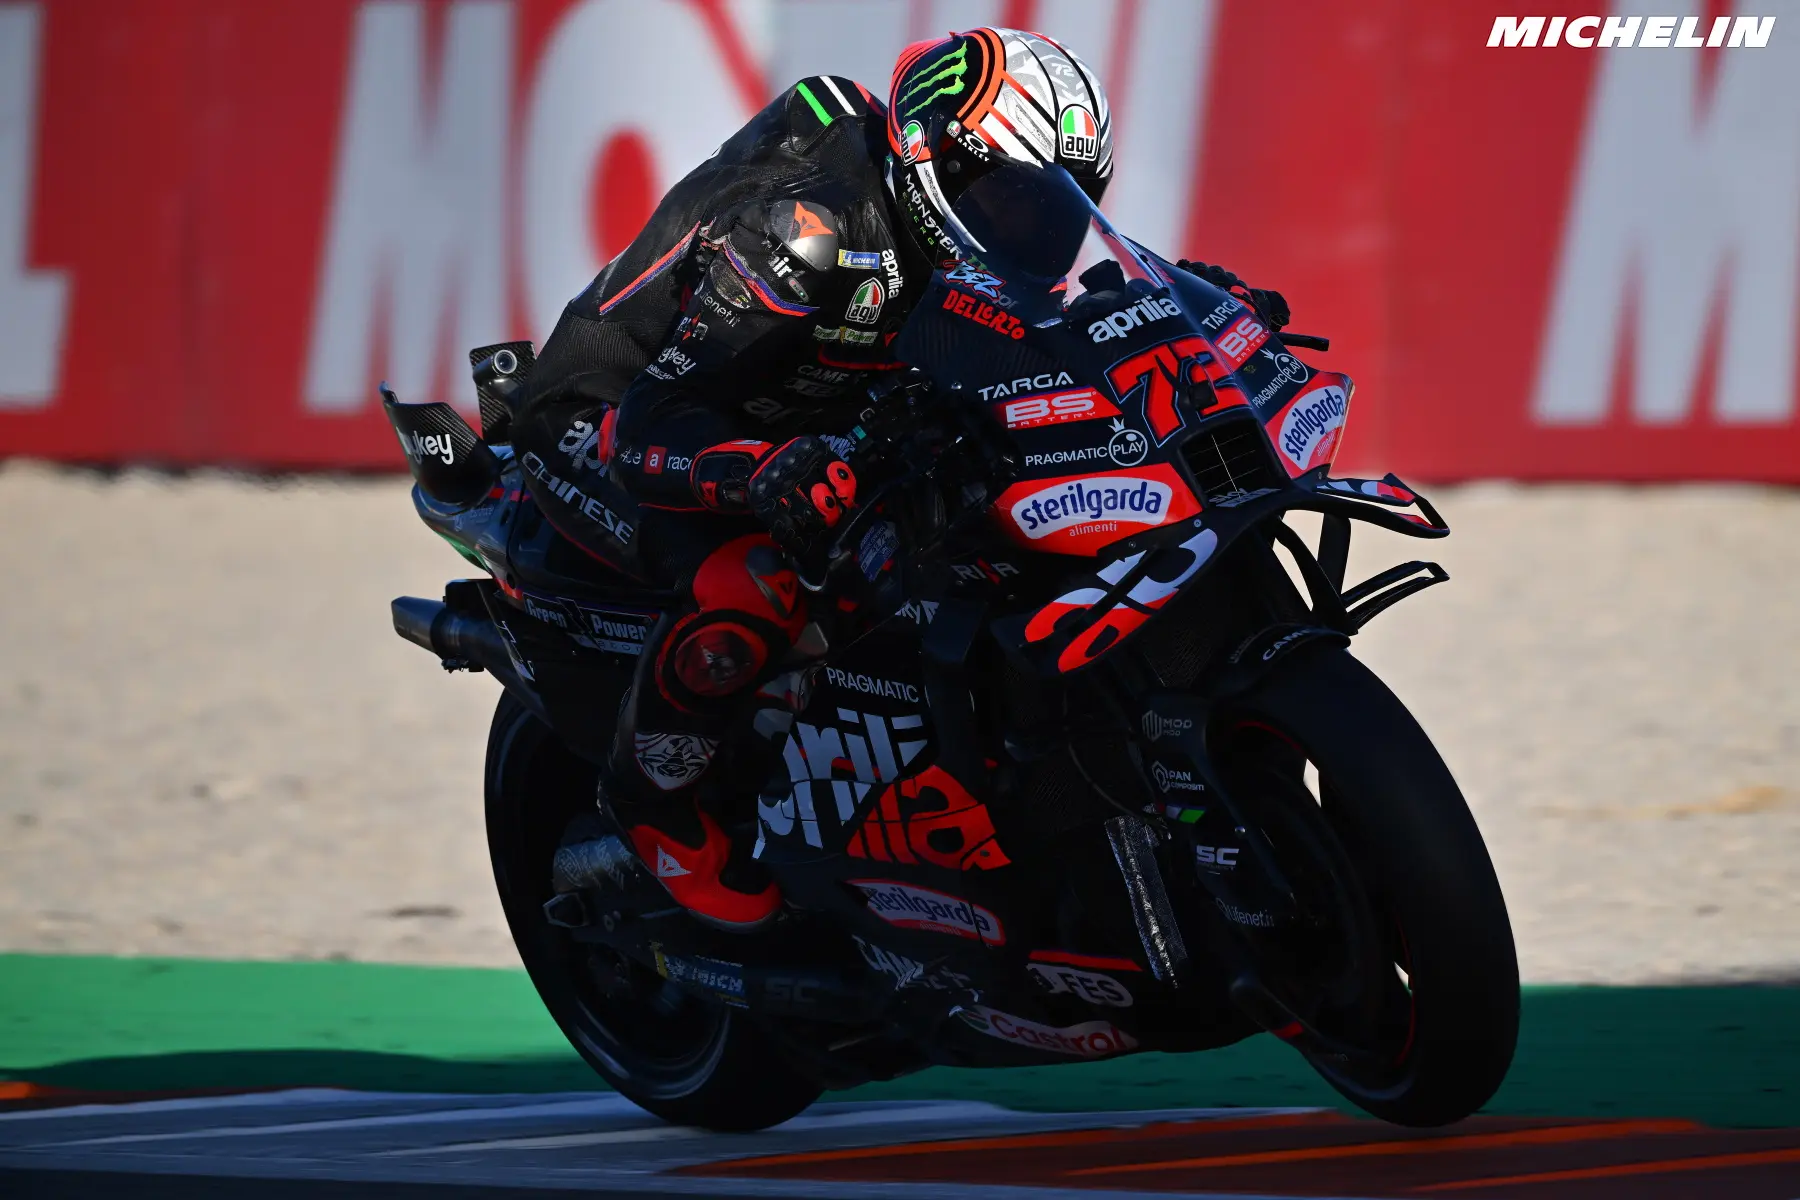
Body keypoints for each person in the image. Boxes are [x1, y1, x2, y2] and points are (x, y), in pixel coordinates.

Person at [510, 27, 1288, 928]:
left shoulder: (966, 245)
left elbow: (1067, 316)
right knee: (755, 583)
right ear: (928, 162)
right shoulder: (807, 234)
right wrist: (759, 471)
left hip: (809, 413)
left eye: (1057, 208)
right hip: (609, 419)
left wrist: (1184, 318)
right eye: (1008, 199)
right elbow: (649, 419)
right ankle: (653, 811)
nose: (1032, 229)